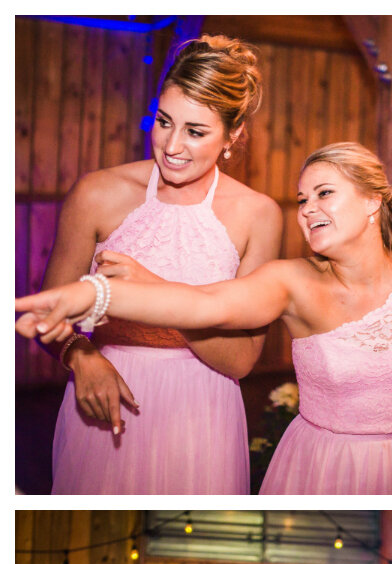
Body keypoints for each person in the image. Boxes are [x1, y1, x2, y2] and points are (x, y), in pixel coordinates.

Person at [17, 143, 392, 496]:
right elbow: (207, 306)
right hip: (317, 469)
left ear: (373, 201)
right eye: (302, 200)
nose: (307, 210)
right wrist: (95, 293)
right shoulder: (290, 282)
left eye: (324, 193)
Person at [44, 34, 280, 494]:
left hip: (203, 409)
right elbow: (45, 312)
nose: (171, 145)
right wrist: (81, 355)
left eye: (195, 131)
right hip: (104, 399)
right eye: (164, 121)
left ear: (232, 136)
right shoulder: (97, 192)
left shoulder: (258, 215)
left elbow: (240, 361)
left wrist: (155, 292)